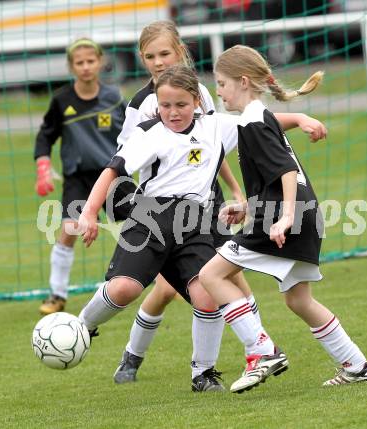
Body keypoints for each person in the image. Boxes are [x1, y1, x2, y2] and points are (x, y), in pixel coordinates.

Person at [111, 20, 328, 389]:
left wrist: (234, 191)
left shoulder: (202, 96)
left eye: (165, 53)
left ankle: (233, 360)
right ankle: (134, 357)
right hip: (160, 206)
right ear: (142, 59)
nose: (158, 62)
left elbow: (213, 146)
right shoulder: (141, 104)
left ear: (180, 51)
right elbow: (127, 157)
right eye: (150, 56)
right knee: (171, 289)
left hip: (203, 202)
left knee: (217, 279)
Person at [199, 45, 367, 393]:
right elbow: (275, 177)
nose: (218, 91)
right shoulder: (259, 117)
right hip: (302, 216)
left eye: (221, 83)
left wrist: (284, 217)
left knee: (211, 274)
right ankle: (358, 366)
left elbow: (283, 172)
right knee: (298, 299)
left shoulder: (252, 122)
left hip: (287, 220)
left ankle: (262, 351)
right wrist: (250, 209)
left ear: (244, 81)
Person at [76, 64, 253, 392]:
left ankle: (203, 373)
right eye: (165, 105)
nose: (172, 112)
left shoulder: (216, 127)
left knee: (207, 295)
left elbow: (259, 124)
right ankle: (82, 326)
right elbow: (112, 171)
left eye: (181, 105)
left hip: (194, 223)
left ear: (197, 102)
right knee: (124, 290)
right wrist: (88, 213)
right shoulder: (149, 133)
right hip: (149, 219)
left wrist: (301, 119)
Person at [34, 38, 134, 315]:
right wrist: (43, 165)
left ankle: (164, 282)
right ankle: (57, 293)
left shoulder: (114, 97)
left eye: (91, 61)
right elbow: (45, 136)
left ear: (100, 62)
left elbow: (134, 132)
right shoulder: (61, 100)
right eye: (80, 62)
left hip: (113, 173)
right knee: (69, 229)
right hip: (78, 177)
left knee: (141, 226)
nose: (86, 67)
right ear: (71, 66)